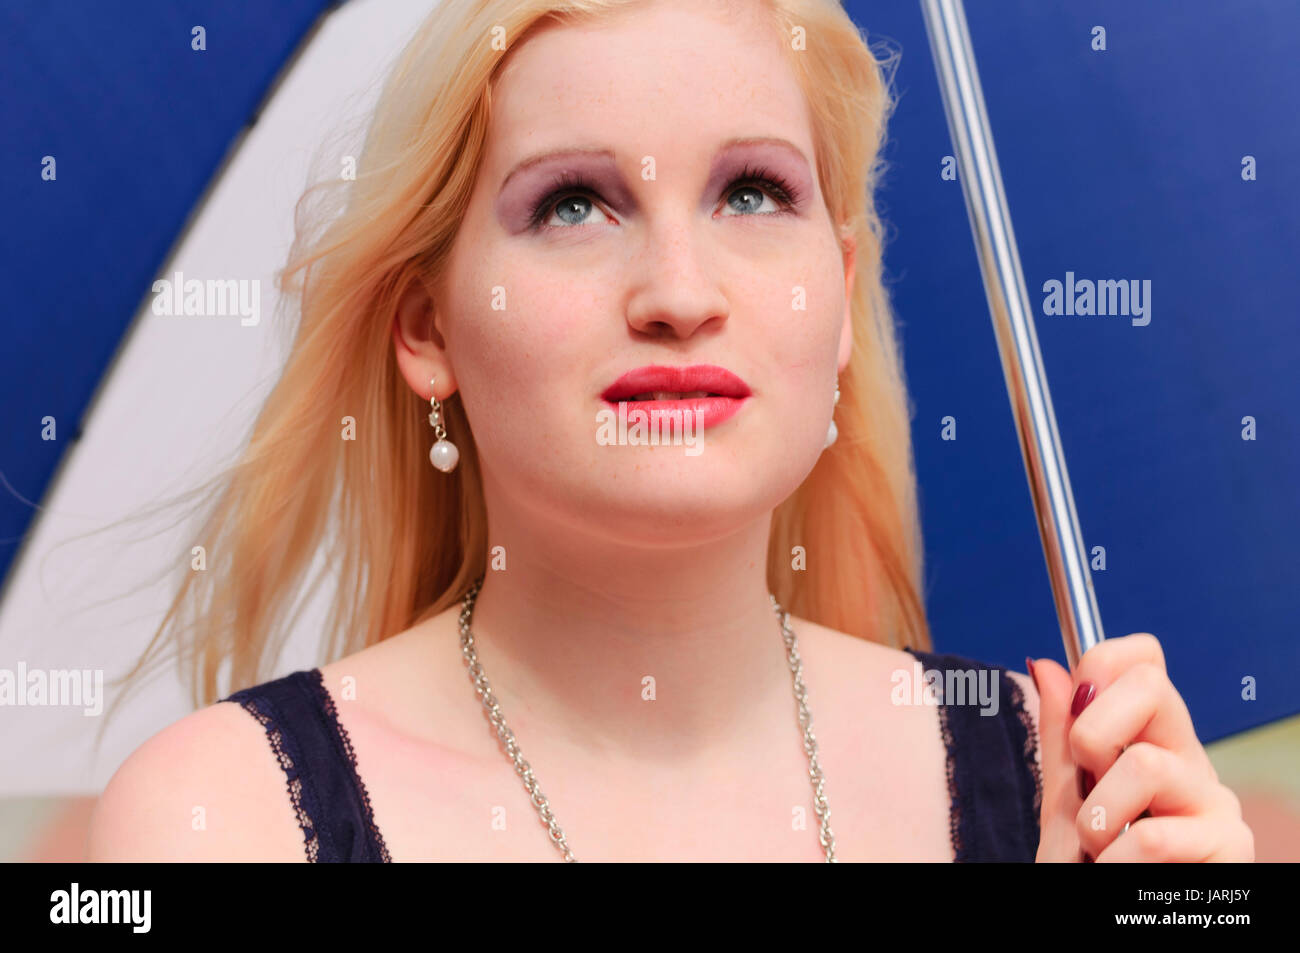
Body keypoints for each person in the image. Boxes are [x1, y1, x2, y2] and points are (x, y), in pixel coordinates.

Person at [85, 0, 1253, 862]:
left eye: (752, 192)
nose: (680, 292)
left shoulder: (1074, 781)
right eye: (574, 204)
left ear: (842, 294)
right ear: (426, 323)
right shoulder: (221, 820)